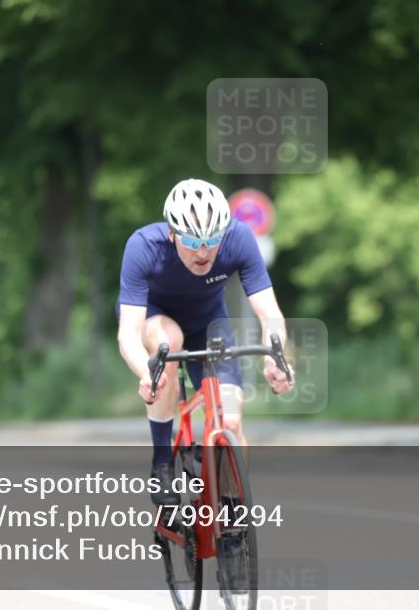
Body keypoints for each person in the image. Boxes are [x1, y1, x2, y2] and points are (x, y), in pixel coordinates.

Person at [116, 179, 292, 507]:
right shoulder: (143, 246)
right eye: (192, 240)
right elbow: (128, 333)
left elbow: (270, 313)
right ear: (171, 234)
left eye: (212, 240)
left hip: (209, 322)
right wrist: (145, 371)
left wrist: (276, 359)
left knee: (232, 421)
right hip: (157, 318)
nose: (203, 251)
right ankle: (163, 462)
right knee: (170, 341)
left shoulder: (238, 239)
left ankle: (232, 517)